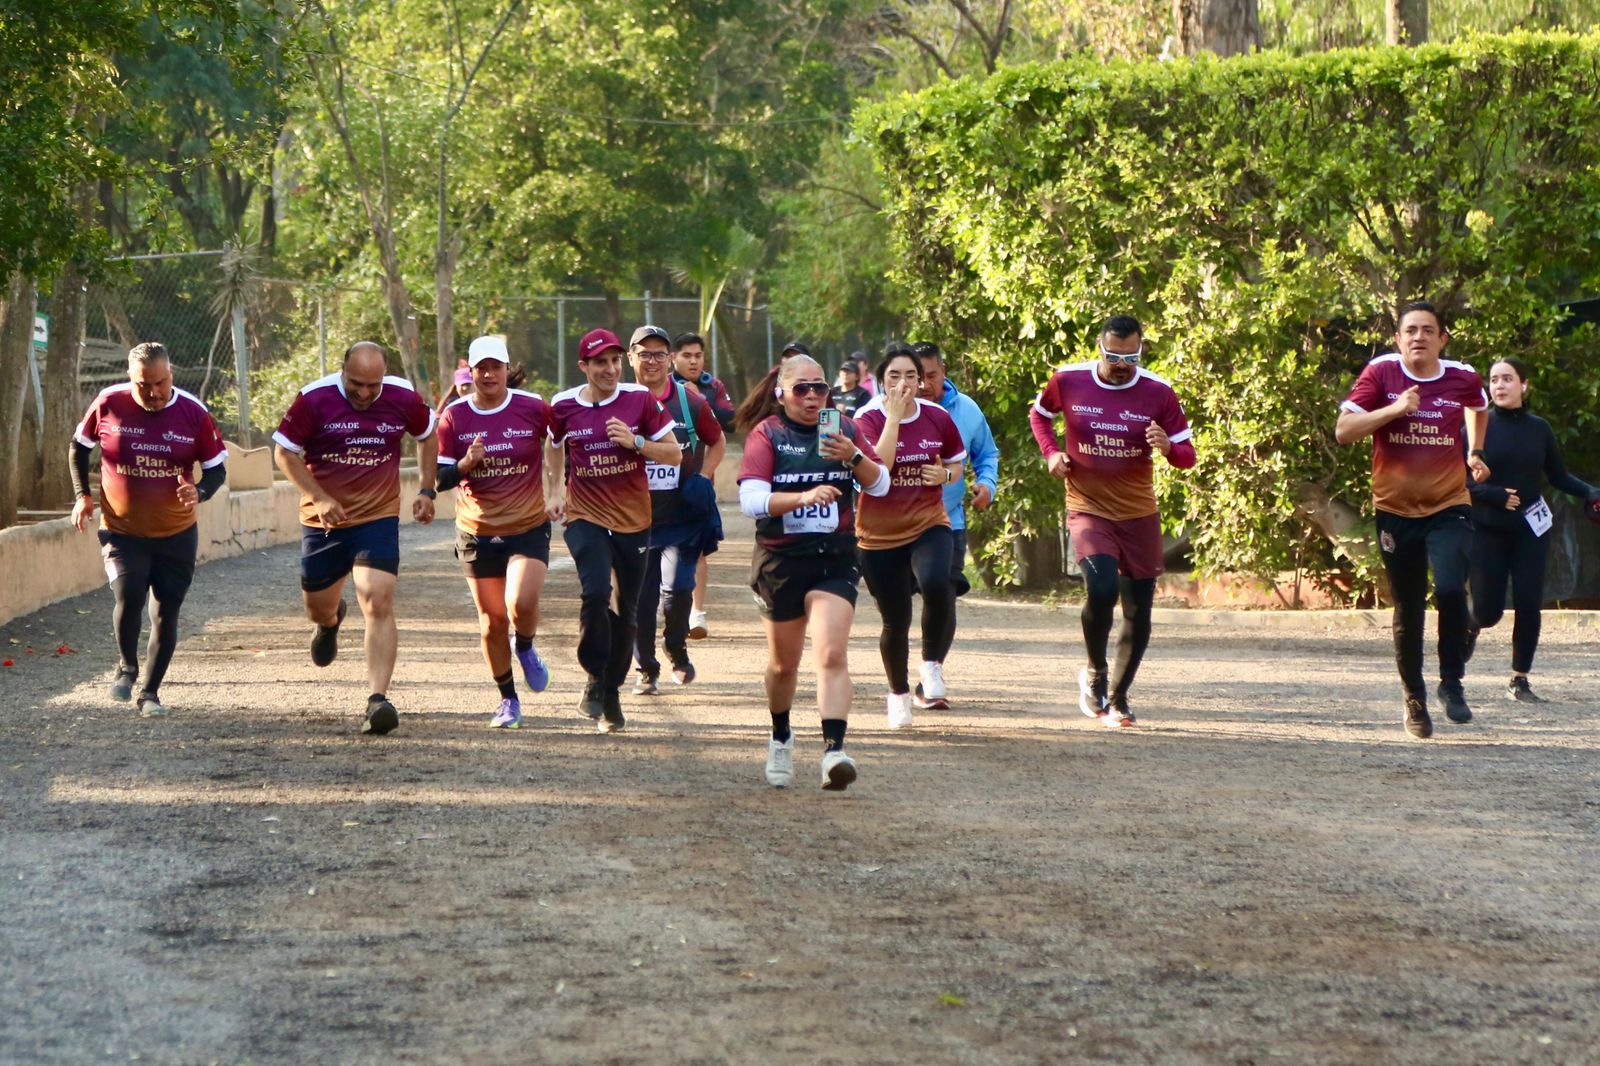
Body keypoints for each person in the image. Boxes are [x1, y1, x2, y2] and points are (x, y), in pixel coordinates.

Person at [1029, 315, 1196, 729]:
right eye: (1114, 356)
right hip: (1088, 506)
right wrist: (1051, 453)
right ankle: (1095, 673)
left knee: (1139, 611)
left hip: (1138, 513)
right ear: (1100, 348)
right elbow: (1039, 416)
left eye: (1131, 358)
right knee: (1102, 589)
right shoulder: (1068, 380)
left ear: (1141, 351)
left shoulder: (1158, 391)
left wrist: (1167, 448)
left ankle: (1119, 698)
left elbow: (1187, 455)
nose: (1122, 365)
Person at [735, 352, 890, 789]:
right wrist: (803, 498)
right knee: (784, 666)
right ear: (781, 393)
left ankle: (834, 752)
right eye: (801, 388)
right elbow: (750, 501)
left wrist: (854, 456)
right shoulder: (768, 434)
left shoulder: (844, 429)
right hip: (781, 561)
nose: (811, 396)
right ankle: (781, 735)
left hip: (833, 558)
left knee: (832, 654)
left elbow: (880, 484)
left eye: (819, 387)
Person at [1336, 300, 1490, 738]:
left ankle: (1452, 683)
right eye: (1410, 330)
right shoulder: (1382, 374)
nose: (1419, 337)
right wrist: (1394, 410)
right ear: (1398, 339)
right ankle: (1414, 698)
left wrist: (1475, 451)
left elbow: (1479, 406)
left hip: (1449, 504)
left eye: (1427, 330)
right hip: (1395, 511)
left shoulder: (1462, 376)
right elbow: (1343, 432)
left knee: (1450, 589)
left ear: (1442, 339)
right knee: (1409, 607)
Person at [272, 340, 438, 735]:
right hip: (324, 522)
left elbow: (428, 435)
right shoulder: (315, 399)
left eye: (372, 386)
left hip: (376, 517)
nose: (364, 394)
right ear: (342, 371)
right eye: (355, 384)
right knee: (318, 608)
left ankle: (377, 700)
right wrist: (319, 497)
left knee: (378, 599)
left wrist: (427, 489)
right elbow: (284, 453)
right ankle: (329, 623)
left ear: (384, 377)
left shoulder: (402, 396)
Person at [69, 342, 228, 718]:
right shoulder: (109, 402)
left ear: (170, 374)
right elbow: (79, 448)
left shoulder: (193, 412)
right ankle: (127, 667)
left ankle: (150, 694)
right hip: (122, 531)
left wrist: (200, 491)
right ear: (130, 378)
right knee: (129, 595)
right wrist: (82, 496)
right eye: (144, 385)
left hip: (177, 533)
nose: (154, 393)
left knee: (166, 612)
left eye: (160, 383)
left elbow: (216, 470)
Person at [547, 327, 680, 732]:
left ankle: (611, 689)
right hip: (584, 515)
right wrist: (555, 490)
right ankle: (593, 675)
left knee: (626, 612)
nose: (609, 369)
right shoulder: (563, 404)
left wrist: (636, 443)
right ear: (583, 366)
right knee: (596, 592)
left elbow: (674, 454)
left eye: (615, 361)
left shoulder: (639, 400)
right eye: (600, 362)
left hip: (633, 520)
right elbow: (554, 444)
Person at [435, 335, 557, 729]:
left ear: (507, 369)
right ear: (471, 372)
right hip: (477, 531)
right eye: (481, 368)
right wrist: (464, 465)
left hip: (527, 526)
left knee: (521, 602)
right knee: (492, 622)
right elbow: (438, 478)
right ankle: (508, 700)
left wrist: (560, 489)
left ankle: (526, 646)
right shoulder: (454, 416)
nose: (489, 375)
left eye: (496, 367)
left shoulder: (532, 407)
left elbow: (561, 443)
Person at [853, 342, 968, 728]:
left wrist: (944, 475)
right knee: (895, 619)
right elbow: (879, 470)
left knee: (938, 582)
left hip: (928, 521)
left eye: (910, 376)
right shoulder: (866, 418)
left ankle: (931, 664)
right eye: (894, 376)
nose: (902, 384)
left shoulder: (937, 416)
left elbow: (955, 465)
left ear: (921, 381)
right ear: (880, 381)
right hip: (879, 534)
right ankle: (898, 693)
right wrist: (894, 418)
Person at [1466, 356, 1594, 703]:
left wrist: (1591, 492)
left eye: (1507, 379)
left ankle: (1519, 678)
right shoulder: (1478, 426)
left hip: (1530, 530)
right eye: (1494, 379)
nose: (1499, 385)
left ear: (1524, 385)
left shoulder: (1540, 429)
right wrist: (1493, 495)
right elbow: (1457, 481)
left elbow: (1559, 476)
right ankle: (1471, 623)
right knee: (1488, 611)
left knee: (1528, 602)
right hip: (1487, 529)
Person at [627, 326, 725, 695]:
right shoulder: (620, 402)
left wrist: (703, 475)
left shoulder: (690, 402)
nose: (651, 361)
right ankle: (645, 669)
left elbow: (717, 440)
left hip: (682, 518)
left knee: (679, 590)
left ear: (670, 359)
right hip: (634, 519)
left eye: (659, 354)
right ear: (630, 358)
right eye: (644, 354)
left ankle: (675, 647)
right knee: (641, 600)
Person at [913, 341, 999, 706]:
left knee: (943, 593)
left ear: (944, 372)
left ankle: (931, 669)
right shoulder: (882, 411)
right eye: (916, 376)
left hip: (947, 520)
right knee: (896, 605)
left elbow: (987, 453)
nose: (923, 385)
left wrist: (987, 484)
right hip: (894, 524)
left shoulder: (966, 410)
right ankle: (896, 683)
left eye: (931, 375)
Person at [670, 330, 733, 641]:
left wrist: (699, 399)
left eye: (698, 356)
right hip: (658, 484)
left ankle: (697, 612)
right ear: (673, 358)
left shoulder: (712, 386)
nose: (693, 361)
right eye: (687, 356)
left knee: (696, 549)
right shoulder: (661, 386)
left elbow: (729, 422)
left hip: (696, 482)